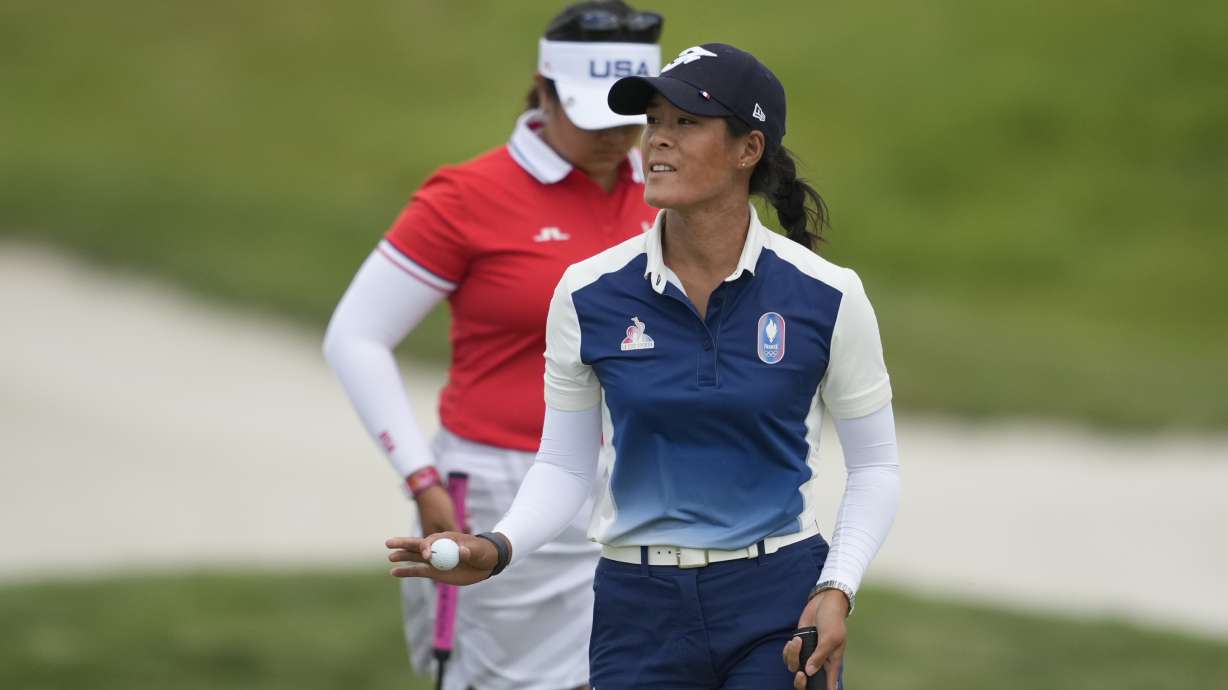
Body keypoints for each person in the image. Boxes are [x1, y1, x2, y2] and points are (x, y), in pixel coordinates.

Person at [386, 43, 902, 690]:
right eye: (654, 120)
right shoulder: (588, 292)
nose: (657, 140)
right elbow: (567, 464)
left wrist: (838, 587)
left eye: (687, 122)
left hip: (779, 598)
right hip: (638, 607)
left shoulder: (829, 295)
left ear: (749, 149)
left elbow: (876, 465)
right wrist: (498, 545)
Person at [323, 3, 664, 689]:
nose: (614, 134)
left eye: (630, 114)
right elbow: (356, 337)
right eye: (592, 114)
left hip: (641, 486)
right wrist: (421, 479)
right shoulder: (467, 197)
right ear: (543, 89)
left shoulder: (667, 192)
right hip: (501, 486)